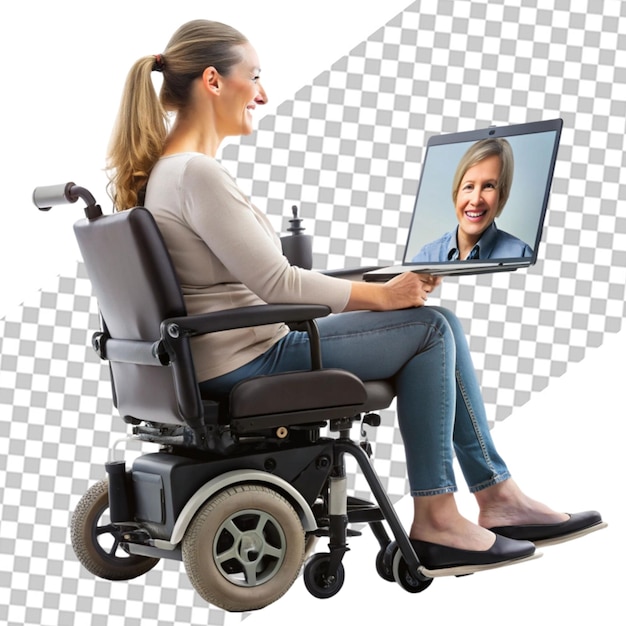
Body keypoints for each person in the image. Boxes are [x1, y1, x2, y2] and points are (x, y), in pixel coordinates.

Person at [106, 19, 604, 573]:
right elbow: (280, 285)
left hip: (225, 353)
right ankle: (451, 513)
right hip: (249, 358)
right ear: (213, 81)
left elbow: (262, 278)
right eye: (255, 77)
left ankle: (495, 499)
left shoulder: (169, 174)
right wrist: (385, 297)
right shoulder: (196, 174)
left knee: (431, 329)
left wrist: (379, 287)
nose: (264, 94)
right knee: (432, 329)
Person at [411, 138, 534, 262]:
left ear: (501, 195)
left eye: (489, 186)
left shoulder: (521, 255)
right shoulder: (427, 257)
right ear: (456, 193)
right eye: (469, 187)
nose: (475, 200)